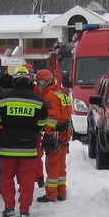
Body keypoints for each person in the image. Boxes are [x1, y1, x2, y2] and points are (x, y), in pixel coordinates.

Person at [0, 67, 48, 217]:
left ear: (14, 81)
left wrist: (4, 125)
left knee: (6, 178)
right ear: (29, 81)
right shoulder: (38, 100)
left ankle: (9, 207)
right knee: (27, 180)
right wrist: (32, 128)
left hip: (7, 147)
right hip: (28, 148)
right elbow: (43, 123)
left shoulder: (3, 98)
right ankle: (25, 210)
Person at [35, 69, 73, 203]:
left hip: (57, 133)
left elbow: (54, 116)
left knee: (52, 164)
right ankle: (61, 192)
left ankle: (51, 195)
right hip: (64, 132)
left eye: (39, 82)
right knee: (61, 165)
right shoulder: (60, 93)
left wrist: (48, 133)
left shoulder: (50, 96)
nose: (38, 85)